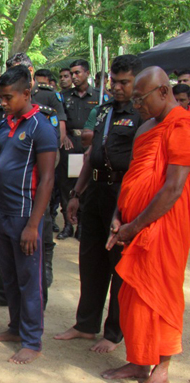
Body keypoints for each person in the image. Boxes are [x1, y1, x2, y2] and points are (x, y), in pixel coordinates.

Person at [101, 67, 190, 383]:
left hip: (163, 225)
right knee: (131, 295)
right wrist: (118, 215)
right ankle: (139, 361)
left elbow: (173, 188)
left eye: (141, 98)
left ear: (164, 92)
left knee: (159, 295)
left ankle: (161, 370)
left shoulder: (182, 126)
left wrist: (134, 226)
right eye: (134, 98)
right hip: (131, 224)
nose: (136, 104)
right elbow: (131, 179)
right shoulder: (145, 129)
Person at [54, 55, 144, 353]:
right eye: (113, 82)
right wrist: (77, 194)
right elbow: (92, 153)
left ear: (137, 82)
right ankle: (85, 324)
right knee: (90, 259)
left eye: (124, 82)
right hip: (94, 189)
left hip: (123, 193)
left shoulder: (143, 114)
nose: (117, 88)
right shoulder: (103, 111)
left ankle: (114, 332)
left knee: (118, 263)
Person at [0, 65, 57, 364]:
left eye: (8, 97)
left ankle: (32, 340)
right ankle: (15, 328)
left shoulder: (42, 127)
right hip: (1, 214)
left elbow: (48, 178)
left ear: (27, 93)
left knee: (30, 280)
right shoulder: (4, 124)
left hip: (26, 217)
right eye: (0, 96)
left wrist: (34, 225)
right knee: (9, 277)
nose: (2, 102)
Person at [58, 59, 107, 240]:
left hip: (89, 146)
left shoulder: (100, 96)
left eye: (78, 73)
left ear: (87, 73)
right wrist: (64, 137)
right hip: (70, 145)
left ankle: (82, 225)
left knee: (86, 185)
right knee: (67, 185)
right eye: (72, 74)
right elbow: (60, 120)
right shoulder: (64, 96)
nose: (74, 77)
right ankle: (68, 225)